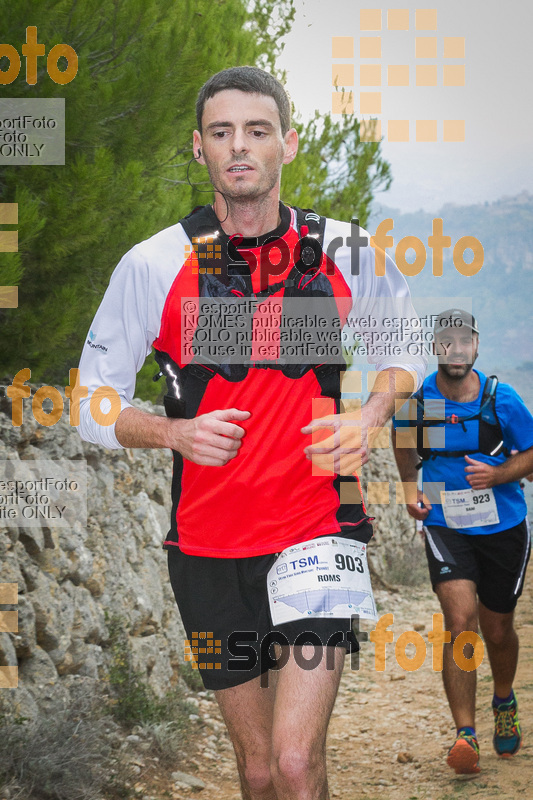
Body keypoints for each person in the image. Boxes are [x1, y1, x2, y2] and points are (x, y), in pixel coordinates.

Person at [77, 66, 425, 800]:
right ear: (197, 148)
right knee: (260, 769)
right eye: (221, 131)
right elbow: (90, 405)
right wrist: (173, 434)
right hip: (205, 546)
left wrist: (365, 420)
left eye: (257, 130)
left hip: (318, 530)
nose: (239, 146)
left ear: (287, 144)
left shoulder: (346, 250)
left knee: (297, 764)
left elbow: (404, 353)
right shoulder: (152, 265)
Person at [392, 309, 533, 776]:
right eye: (446, 341)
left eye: (464, 341)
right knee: (459, 619)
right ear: (436, 348)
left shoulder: (500, 399)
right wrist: (411, 488)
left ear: (476, 347)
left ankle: (504, 699)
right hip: (446, 525)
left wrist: (498, 474)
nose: (456, 349)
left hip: (504, 528)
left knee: (496, 630)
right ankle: (465, 734)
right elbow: (403, 442)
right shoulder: (419, 400)